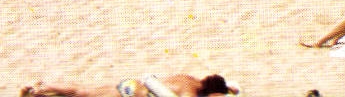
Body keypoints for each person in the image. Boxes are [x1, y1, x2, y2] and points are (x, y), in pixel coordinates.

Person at [20, 76, 237, 97]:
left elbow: (233, 89)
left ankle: (44, 87)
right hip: (132, 95)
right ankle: (39, 92)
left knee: (83, 90)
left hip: (133, 84)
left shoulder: (188, 79)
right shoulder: (190, 94)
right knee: (83, 95)